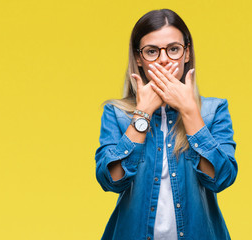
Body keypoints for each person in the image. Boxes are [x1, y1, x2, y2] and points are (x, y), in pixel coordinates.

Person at [94, 9, 238, 240]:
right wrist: (143, 113)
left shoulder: (213, 110)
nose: (163, 59)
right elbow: (111, 180)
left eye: (173, 49)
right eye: (152, 51)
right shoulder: (116, 113)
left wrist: (190, 112)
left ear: (187, 53)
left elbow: (222, 178)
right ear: (139, 58)